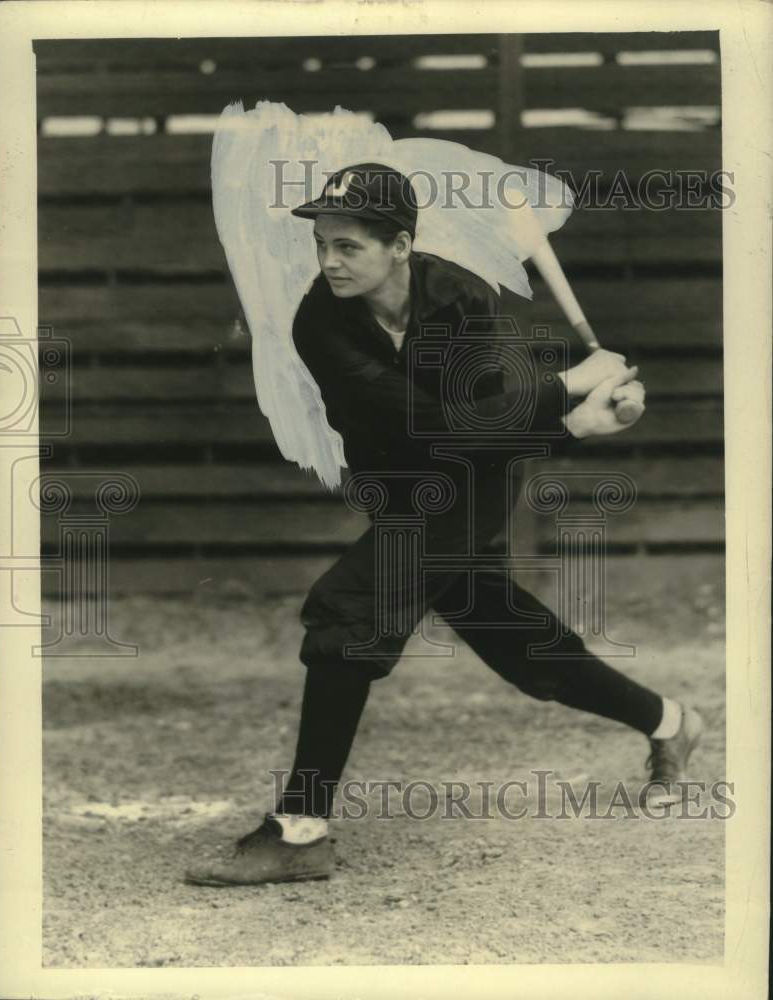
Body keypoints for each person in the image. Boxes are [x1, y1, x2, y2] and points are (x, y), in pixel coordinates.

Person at [185, 164, 703, 887]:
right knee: (499, 627)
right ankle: (667, 722)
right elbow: (420, 424)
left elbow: (479, 431)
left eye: (348, 247)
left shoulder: (459, 299)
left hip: (471, 484)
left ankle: (300, 830)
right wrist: (568, 408)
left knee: (344, 617)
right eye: (322, 244)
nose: (328, 262)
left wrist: (578, 418)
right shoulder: (319, 321)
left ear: (399, 245)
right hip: (397, 484)